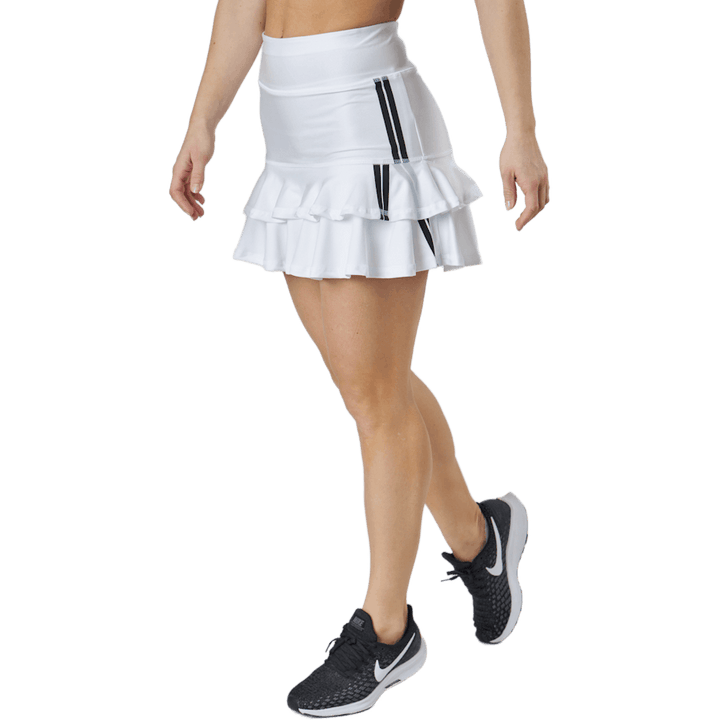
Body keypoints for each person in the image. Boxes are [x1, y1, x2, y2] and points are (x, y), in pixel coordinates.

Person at [169, 1, 548, 717]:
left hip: (364, 115)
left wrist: (521, 129)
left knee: (376, 399)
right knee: (373, 385)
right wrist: (203, 118)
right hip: (287, 120)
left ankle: (387, 631)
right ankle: (478, 537)